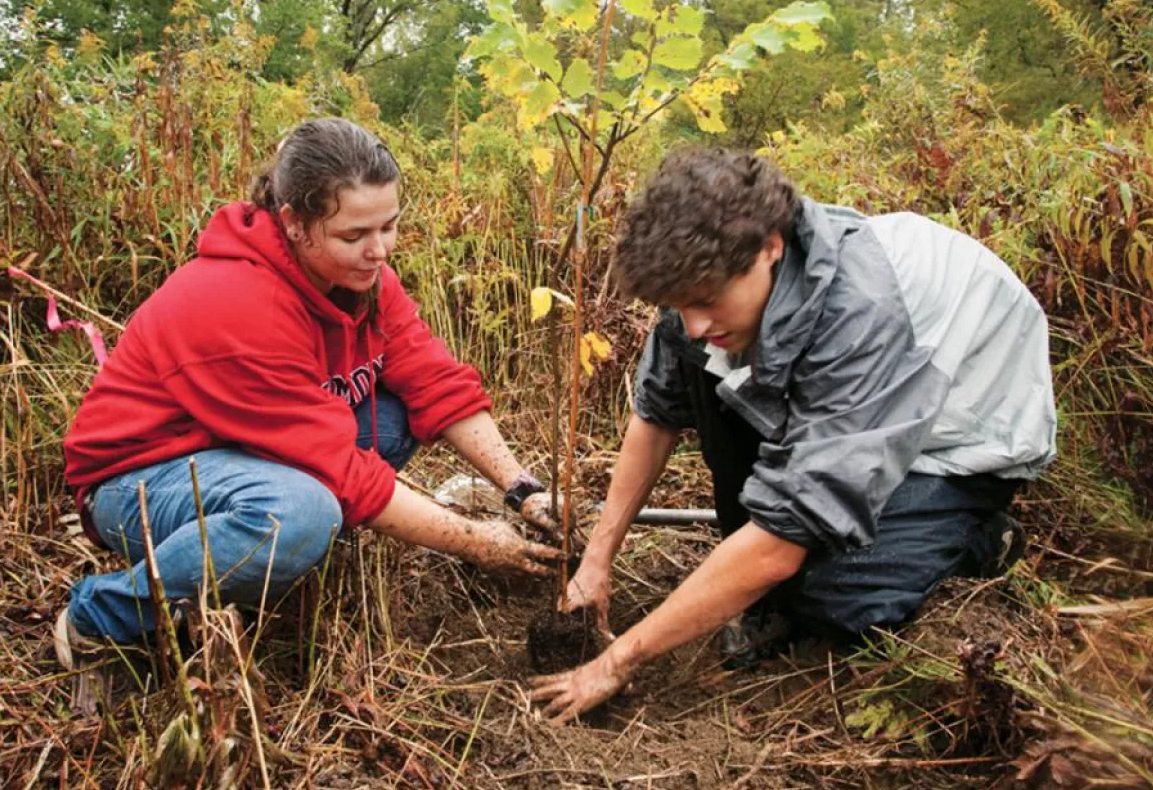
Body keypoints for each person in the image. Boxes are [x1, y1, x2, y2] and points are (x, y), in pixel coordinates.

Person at [531, 148, 1056, 723]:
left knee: (838, 596)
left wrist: (617, 661)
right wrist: (595, 563)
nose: (694, 324)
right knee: (712, 396)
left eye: (706, 302)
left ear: (770, 247)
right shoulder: (698, 289)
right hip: (849, 412)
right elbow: (658, 414)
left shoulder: (860, 314)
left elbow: (781, 546)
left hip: (955, 444)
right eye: (677, 306)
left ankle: (978, 536)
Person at [55, 118, 561, 669]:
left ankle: (273, 562)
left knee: (392, 419)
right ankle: (100, 617)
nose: (379, 251)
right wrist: (476, 541)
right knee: (298, 513)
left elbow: (433, 380)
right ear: (295, 223)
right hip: (138, 482)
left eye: (389, 226)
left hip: (233, 449)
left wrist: (521, 488)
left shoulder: (360, 280)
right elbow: (342, 470)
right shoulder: (237, 304)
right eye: (354, 236)